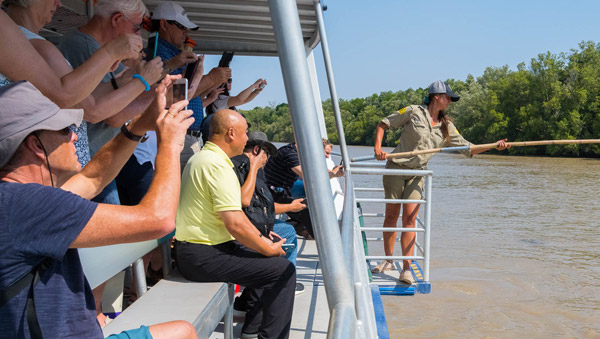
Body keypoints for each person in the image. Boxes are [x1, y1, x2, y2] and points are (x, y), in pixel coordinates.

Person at [0, 78, 196, 338]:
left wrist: (138, 125)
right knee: (184, 333)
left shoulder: (16, 200)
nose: (74, 135)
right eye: (63, 130)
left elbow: (92, 179)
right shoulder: (31, 205)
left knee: (182, 331)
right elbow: (159, 220)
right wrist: (170, 145)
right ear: (36, 145)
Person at [372, 80, 510, 284]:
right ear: (436, 96)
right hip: (396, 168)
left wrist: (494, 146)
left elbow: (468, 148)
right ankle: (389, 260)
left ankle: (407, 269)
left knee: (410, 220)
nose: (450, 102)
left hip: (418, 174)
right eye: (448, 98)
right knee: (392, 216)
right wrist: (378, 149)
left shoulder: (447, 127)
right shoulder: (412, 112)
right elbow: (383, 124)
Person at [174, 110, 296, 339]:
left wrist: (263, 239)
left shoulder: (207, 158)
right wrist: (266, 246)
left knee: (272, 260)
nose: (246, 139)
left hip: (203, 248)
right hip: (201, 255)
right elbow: (235, 223)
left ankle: (253, 329)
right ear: (231, 133)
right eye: (245, 133)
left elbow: (235, 219)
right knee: (283, 271)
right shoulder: (216, 165)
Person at [4, 0, 164, 167]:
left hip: (60, 163)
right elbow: (90, 109)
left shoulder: (27, 40)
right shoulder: (37, 45)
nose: (59, 3)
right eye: (137, 28)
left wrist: (124, 78)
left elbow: (84, 99)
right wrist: (140, 78)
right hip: (50, 165)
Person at [0, 9, 140, 106]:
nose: (58, 3)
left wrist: (129, 76)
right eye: (137, 27)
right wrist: (111, 53)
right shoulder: (79, 43)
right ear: (116, 19)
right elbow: (65, 96)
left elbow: (88, 98)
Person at [231, 131, 307, 295]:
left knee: (282, 229)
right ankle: (286, 282)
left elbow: (260, 207)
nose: (268, 159)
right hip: (241, 231)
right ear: (257, 150)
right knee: (287, 232)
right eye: (267, 153)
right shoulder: (248, 168)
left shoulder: (243, 166)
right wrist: (290, 208)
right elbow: (246, 202)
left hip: (247, 225)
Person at [264, 142, 343, 239]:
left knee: (310, 210)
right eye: (326, 153)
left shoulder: (303, 154)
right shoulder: (290, 153)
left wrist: (335, 173)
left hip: (282, 192)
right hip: (271, 192)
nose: (327, 156)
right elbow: (309, 178)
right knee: (308, 210)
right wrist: (333, 174)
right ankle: (324, 239)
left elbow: (321, 171)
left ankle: (297, 228)